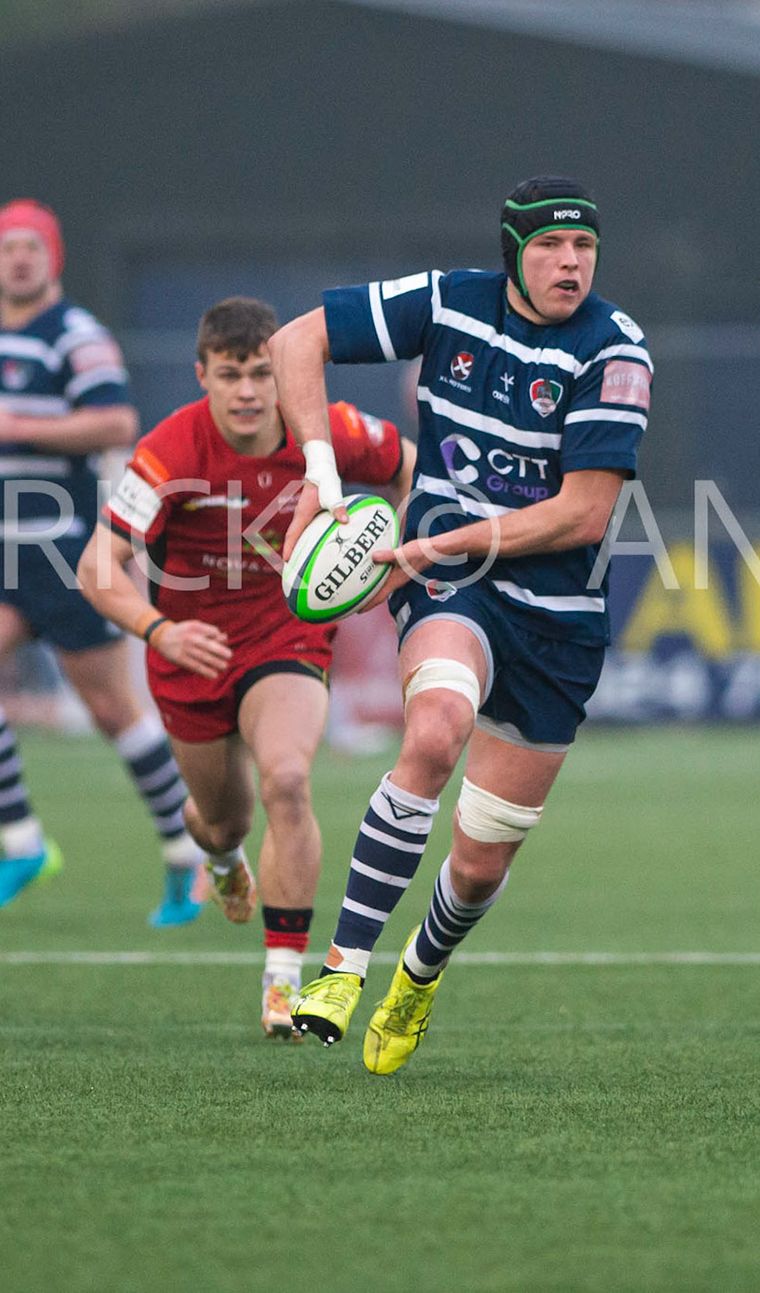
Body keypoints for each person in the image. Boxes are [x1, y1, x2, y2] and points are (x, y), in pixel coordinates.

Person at [270, 176, 650, 1074]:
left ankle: (419, 973)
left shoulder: (616, 350)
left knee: (478, 867)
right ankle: (342, 965)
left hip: (557, 616)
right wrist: (320, 480)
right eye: (552, 247)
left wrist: (443, 544)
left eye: (584, 248)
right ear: (513, 250)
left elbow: (583, 515)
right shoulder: (450, 302)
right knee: (435, 727)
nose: (570, 264)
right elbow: (297, 340)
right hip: (454, 586)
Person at [77, 297, 414, 1037]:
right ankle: (223, 856)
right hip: (188, 650)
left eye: (263, 372)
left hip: (284, 636)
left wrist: (395, 553)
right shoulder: (170, 451)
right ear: (202, 375)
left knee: (288, 781)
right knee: (221, 819)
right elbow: (97, 564)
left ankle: (282, 982)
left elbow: (408, 469)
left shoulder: (324, 431)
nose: (250, 390)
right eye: (230, 374)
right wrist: (157, 629)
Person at [0, 199, 205, 923]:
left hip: (63, 548)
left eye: (32, 246)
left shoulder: (78, 336)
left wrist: (11, 424)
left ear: (52, 258)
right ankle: (23, 843)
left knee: (115, 711)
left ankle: (186, 850)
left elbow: (117, 423)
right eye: (7, 247)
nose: (19, 257)